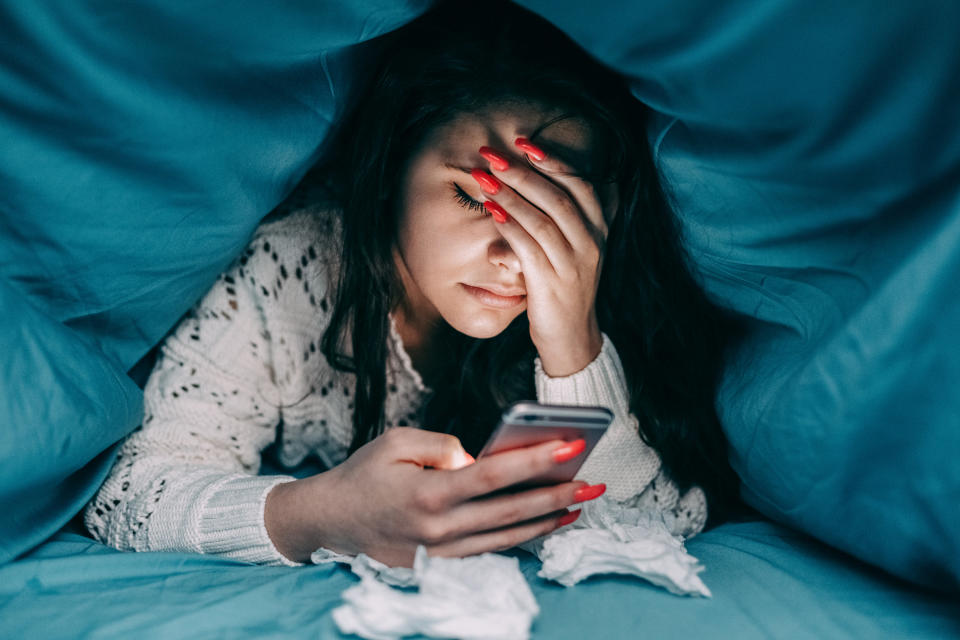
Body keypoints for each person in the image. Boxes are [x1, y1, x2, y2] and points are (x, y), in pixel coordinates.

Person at [84, 0, 740, 567]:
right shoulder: (291, 274)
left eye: (553, 213)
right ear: (393, 165)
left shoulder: (604, 290)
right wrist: (315, 513)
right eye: (474, 197)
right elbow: (134, 492)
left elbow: (658, 526)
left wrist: (574, 349)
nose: (516, 257)